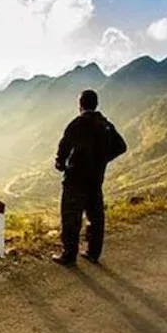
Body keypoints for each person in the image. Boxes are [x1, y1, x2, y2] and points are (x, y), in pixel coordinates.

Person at [52, 89, 127, 266]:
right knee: (96, 216)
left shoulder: (78, 123)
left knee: (71, 216)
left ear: (81, 105)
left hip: (75, 178)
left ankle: (69, 255)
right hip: (95, 178)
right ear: (95, 104)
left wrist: (61, 163)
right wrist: (101, 159)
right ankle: (93, 252)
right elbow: (121, 146)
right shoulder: (105, 125)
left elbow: (64, 146)